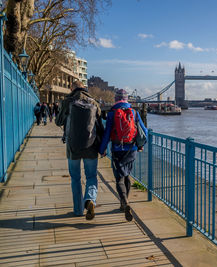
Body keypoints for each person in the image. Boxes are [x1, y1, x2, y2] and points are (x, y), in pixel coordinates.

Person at [56, 80, 104, 220]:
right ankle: (90, 200)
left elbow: (58, 122)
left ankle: (78, 210)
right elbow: (100, 126)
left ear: (72, 88)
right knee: (91, 176)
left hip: (73, 147)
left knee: (75, 178)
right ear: (84, 88)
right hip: (91, 146)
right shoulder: (94, 102)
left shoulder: (67, 101)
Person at [99, 89, 148, 221]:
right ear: (127, 100)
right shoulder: (134, 112)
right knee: (127, 175)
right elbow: (144, 131)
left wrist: (102, 149)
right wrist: (140, 145)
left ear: (116, 99)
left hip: (116, 148)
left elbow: (107, 132)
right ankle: (124, 202)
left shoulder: (112, 113)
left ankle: (124, 202)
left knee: (119, 177)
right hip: (131, 149)